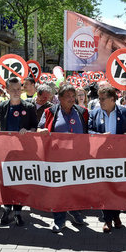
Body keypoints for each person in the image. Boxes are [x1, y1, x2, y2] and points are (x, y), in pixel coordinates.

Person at [0, 77, 38, 226]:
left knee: (19, 182)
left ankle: (18, 212)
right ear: (7, 90)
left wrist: (28, 131)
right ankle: (7, 209)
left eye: (18, 89)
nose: (16, 92)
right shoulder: (2, 106)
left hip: (22, 152)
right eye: (13, 89)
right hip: (5, 151)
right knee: (5, 182)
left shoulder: (28, 107)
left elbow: (35, 127)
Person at [38, 84, 88, 233]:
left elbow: (88, 131)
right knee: (58, 189)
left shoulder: (82, 112)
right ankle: (59, 220)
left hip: (77, 158)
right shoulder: (50, 112)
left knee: (75, 187)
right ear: (59, 98)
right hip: (56, 159)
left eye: (73, 96)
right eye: (68, 97)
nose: (72, 100)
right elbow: (39, 128)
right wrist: (42, 131)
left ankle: (74, 211)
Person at [88, 86, 126, 233]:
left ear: (112, 99)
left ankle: (116, 215)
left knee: (118, 188)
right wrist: (99, 136)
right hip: (101, 156)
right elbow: (88, 131)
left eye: (103, 99)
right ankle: (108, 219)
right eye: (99, 98)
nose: (100, 101)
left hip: (119, 156)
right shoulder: (94, 113)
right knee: (105, 188)